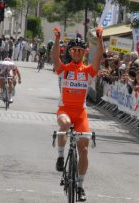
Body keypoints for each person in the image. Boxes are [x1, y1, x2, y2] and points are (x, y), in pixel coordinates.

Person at [52, 27, 104, 201]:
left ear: (83, 53)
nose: (77, 53)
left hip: (81, 113)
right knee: (65, 125)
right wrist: (57, 40)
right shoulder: (64, 68)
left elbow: (98, 58)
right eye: (74, 50)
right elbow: (54, 58)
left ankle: (80, 186)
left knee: (84, 150)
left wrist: (100, 39)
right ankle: (60, 157)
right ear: (70, 52)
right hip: (65, 109)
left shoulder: (88, 70)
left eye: (80, 51)